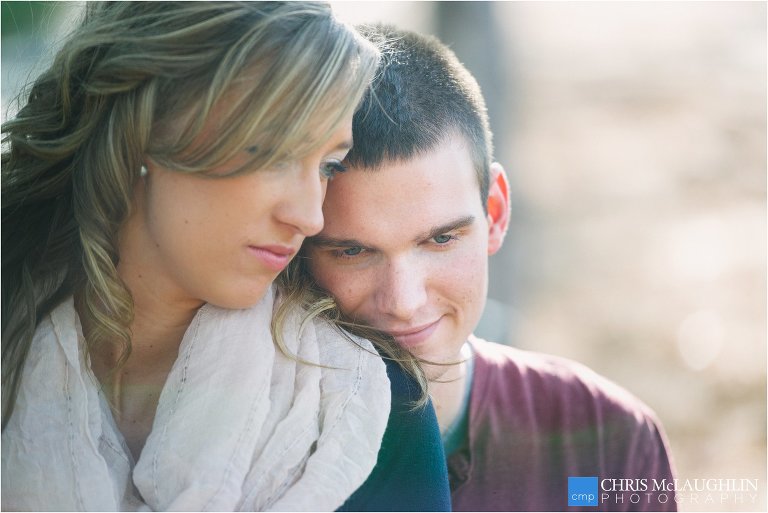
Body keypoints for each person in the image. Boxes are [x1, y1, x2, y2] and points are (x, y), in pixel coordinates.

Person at [1, 4, 448, 510]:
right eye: (275, 153)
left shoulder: (367, 406)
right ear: (146, 129)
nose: (309, 217)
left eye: (328, 166)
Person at [304, 25, 677, 511]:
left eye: (440, 239)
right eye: (353, 252)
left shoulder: (606, 443)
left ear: (495, 213)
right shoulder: (252, 449)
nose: (403, 302)